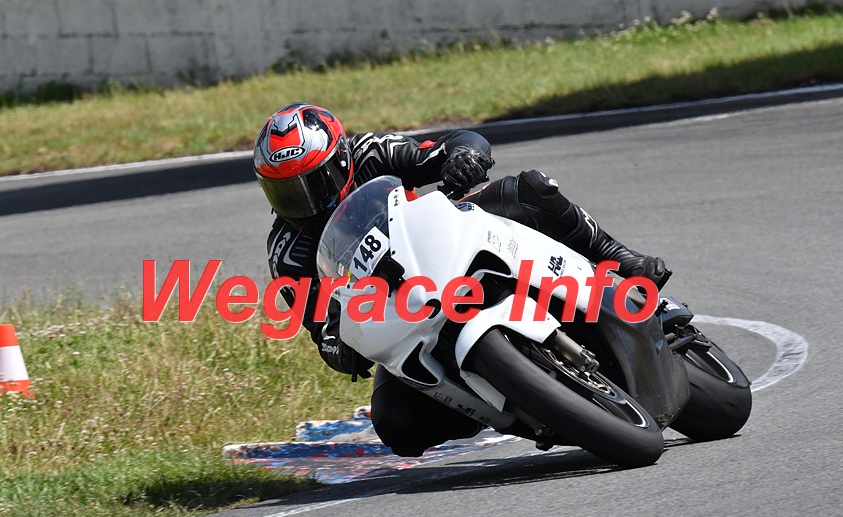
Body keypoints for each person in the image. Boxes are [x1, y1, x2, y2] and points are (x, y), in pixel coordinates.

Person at [255, 102, 669, 457]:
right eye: (285, 191)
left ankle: (621, 260)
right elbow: (320, 328)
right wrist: (340, 345)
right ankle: (511, 403)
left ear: (341, 160)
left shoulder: (371, 153)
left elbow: (456, 142)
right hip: (400, 312)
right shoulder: (287, 252)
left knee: (528, 191)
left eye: (312, 183)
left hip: (444, 241)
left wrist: (464, 157)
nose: (303, 202)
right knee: (396, 424)